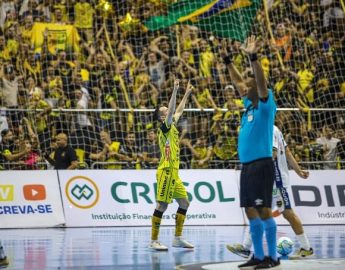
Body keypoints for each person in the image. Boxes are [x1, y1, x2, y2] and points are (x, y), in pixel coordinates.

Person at [224, 36, 279, 269]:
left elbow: (260, 81)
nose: (244, 88)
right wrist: (228, 62)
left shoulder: (266, 105)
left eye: (249, 85)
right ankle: (257, 256)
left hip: (261, 165)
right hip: (247, 167)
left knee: (263, 209)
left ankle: (273, 257)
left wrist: (253, 57)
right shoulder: (248, 105)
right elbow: (238, 81)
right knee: (250, 210)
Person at [227, 125, 314, 259]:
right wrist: (298, 170)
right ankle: (245, 247)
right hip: (272, 179)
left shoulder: (268, 129)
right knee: (262, 211)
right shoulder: (275, 128)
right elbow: (287, 152)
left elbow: (272, 153)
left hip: (276, 180)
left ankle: (306, 247)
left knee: (286, 213)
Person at [149, 79, 194, 251]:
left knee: (184, 203)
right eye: (165, 111)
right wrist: (175, 89)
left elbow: (179, 110)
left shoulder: (172, 124)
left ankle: (178, 238)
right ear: (161, 117)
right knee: (162, 205)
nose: (169, 111)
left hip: (174, 172)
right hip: (166, 170)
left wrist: (187, 93)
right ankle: (154, 240)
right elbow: (172, 111)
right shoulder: (164, 126)